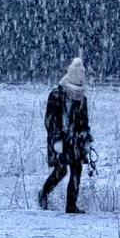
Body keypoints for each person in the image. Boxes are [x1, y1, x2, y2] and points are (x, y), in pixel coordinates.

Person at [40, 56, 93, 214]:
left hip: (76, 140)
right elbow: (50, 121)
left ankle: (71, 206)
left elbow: (84, 122)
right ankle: (43, 194)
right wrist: (56, 140)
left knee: (76, 170)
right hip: (60, 140)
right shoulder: (56, 95)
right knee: (61, 170)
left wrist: (86, 139)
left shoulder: (82, 99)